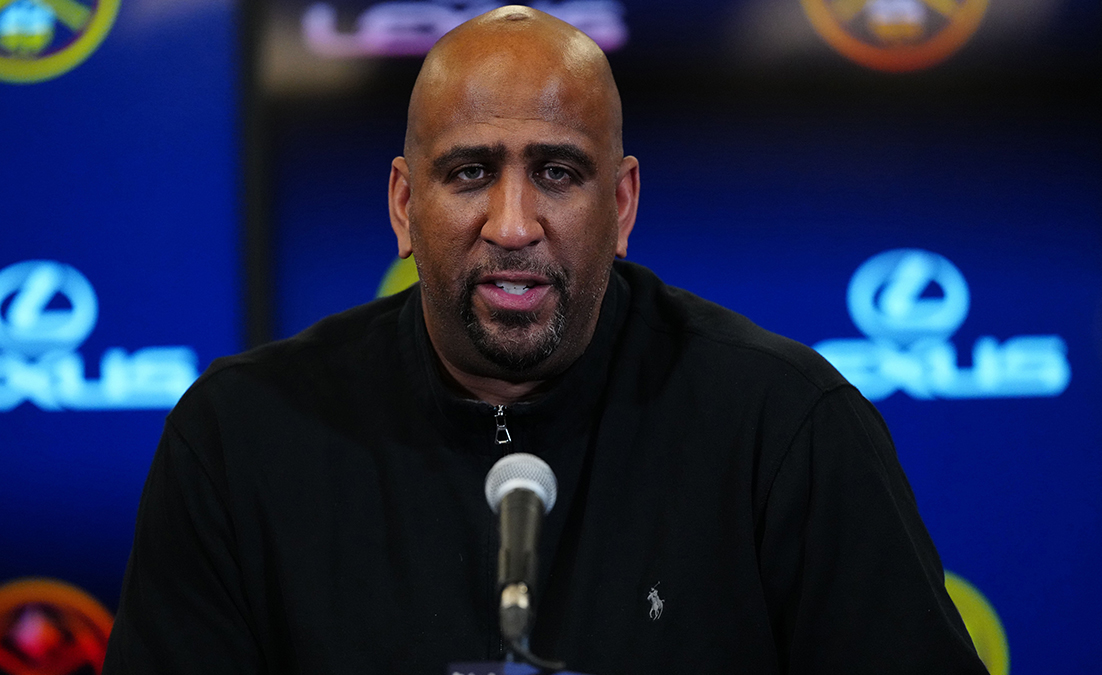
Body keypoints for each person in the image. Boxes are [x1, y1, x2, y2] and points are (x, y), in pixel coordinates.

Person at [104, 6, 988, 674]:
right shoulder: (239, 438)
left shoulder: (786, 428)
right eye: (471, 172)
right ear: (405, 206)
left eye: (558, 173)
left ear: (624, 206)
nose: (515, 224)